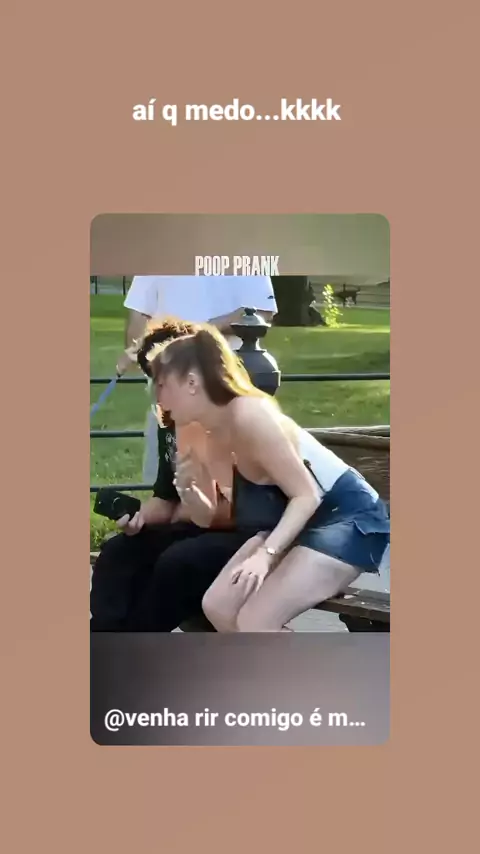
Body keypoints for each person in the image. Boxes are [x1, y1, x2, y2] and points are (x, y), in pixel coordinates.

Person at [147, 325, 391, 632]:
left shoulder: (249, 416)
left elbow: (306, 495)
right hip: (297, 522)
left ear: (192, 383)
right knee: (218, 606)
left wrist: (265, 555)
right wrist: (189, 489)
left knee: (255, 622)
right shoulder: (210, 430)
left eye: (162, 386)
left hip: (347, 518)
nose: (159, 398)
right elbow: (208, 518)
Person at [90, 317, 256, 632]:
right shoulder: (170, 419)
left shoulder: (223, 417)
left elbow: (236, 510)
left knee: (177, 561)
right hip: (195, 522)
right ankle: (103, 637)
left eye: (162, 380)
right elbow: (166, 500)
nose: (156, 391)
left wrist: (185, 509)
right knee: (118, 552)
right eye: (151, 378)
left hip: (240, 532)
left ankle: (134, 642)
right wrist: (138, 517)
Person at [115, 274, 278, 482]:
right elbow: (139, 313)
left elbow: (260, 310)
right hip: (170, 380)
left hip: (224, 381)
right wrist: (144, 355)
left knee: (228, 475)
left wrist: (197, 334)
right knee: (165, 478)